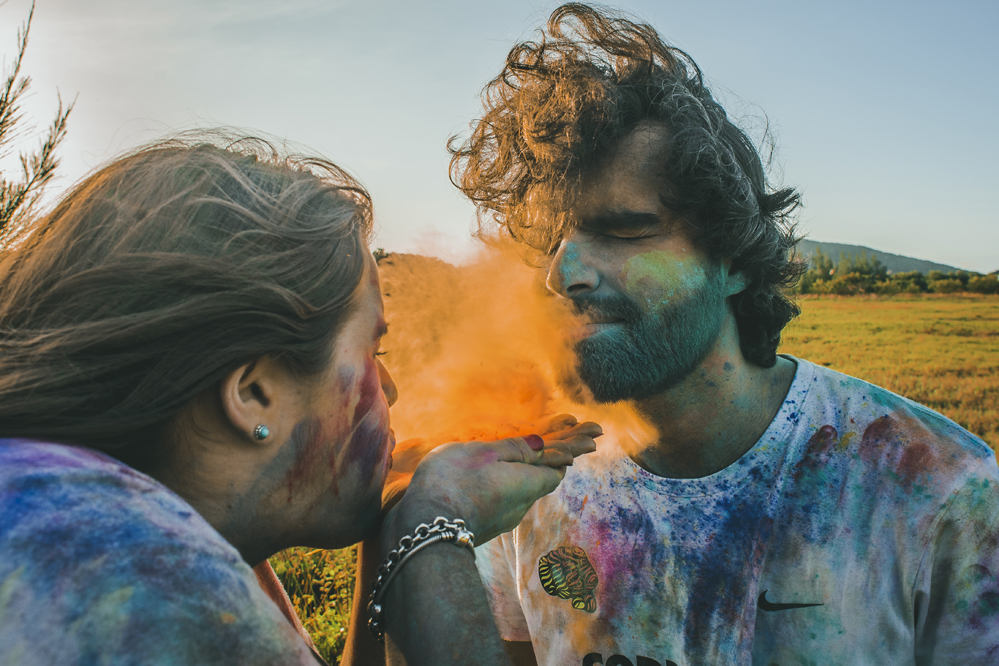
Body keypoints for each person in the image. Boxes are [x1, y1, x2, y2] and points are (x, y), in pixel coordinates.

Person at [447, 4, 999, 664]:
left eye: (623, 230)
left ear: (733, 260)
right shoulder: (526, 481)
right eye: (549, 242)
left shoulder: (935, 489)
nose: (560, 273)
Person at [0, 134, 602, 665]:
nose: (390, 389)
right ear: (255, 393)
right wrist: (433, 531)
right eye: (373, 352)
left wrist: (391, 525)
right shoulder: (138, 582)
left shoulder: (102, 520)